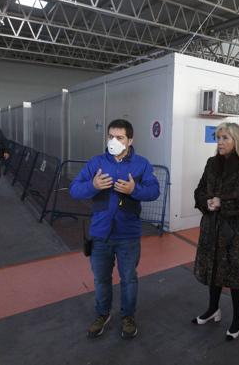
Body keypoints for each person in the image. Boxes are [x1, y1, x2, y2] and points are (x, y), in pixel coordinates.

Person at [70, 119, 160, 340]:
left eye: (119, 137)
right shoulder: (96, 162)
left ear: (130, 140)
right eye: (111, 136)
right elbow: (74, 189)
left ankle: (128, 316)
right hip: (100, 234)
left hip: (128, 234)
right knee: (101, 279)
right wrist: (93, 185)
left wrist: (134, 189)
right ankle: (103, 314)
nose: (114, 141)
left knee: (129, 279)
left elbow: (154, 191)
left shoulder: (141, 164)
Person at [192, 122, 239, 341]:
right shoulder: (211, 163)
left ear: (236, 141)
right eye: (218, 137)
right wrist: (206, 202)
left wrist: (223, 204)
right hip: (211, 227)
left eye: (225, 138)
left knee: (235, 276)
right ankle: (213, 309)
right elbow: (200, 190)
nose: (220, 142)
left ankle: (237, 317)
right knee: (213, 271)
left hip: (235, 232)